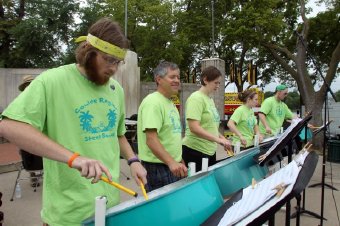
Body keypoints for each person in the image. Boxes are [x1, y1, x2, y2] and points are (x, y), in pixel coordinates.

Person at [0, 18, 147, 226]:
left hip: (110, 207)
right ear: (89, 52)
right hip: (68, 214)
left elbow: (118, 133)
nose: (114, 68)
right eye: (108, 60)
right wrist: (74, 158)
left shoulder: (116, 90)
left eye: (118, 62)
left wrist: (133, 161)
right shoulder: (51, 81)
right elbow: (9, 125)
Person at [137, 61, 187, 192]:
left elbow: (170, 136)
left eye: (178, 77)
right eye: (172, 77)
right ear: (159, 79)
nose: (177, 80)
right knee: (165, 209)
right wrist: (171, 162)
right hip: (158, 167)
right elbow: (151, 140)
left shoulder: (170, 103)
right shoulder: (153, 102)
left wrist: (179, 159)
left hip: (171, 164)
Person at [182, 66, 231, 172]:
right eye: (215, 83)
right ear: (205, 80)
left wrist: (222, 139)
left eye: (219, 83)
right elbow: (194, 127)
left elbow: (211, 127)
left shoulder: (209, 99)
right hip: (195, 150)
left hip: (209, 150)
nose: (218, 86)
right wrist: (218, 140)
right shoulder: (196, 98)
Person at [18, 75, 44, 187]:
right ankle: (33, 176)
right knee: (26, 152)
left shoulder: (40, 97)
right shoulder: (20, 101)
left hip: (39, 131)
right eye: (27, 85)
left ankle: (38, 174)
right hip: (26, 132)